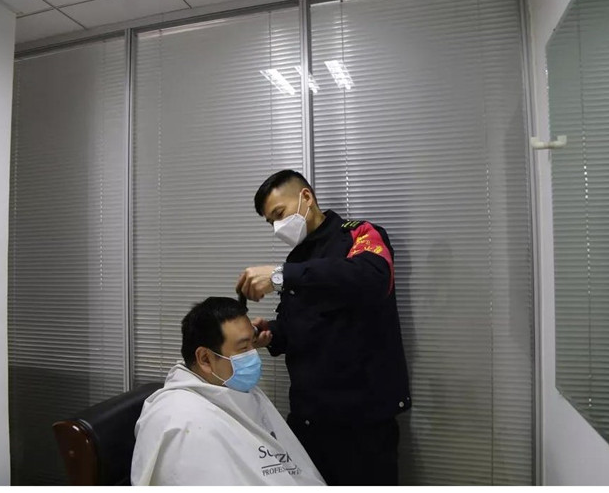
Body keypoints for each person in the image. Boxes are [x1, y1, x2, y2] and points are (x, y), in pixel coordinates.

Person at [235, 170, 411, 486]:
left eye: (279, 214)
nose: (277, 227)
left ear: (306, 197)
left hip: (362, 423)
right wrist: (270, 333)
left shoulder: (358, 235)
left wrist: (280, 276)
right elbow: (303, 324)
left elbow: (373, 277)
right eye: (271, 222)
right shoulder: (297, 259)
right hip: (310, 419)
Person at [131, 296, 325, 486]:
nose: (254, 356)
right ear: (205, 359)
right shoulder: (181, 422)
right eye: (243, 348)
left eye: (253, 343)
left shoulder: (233, 388)